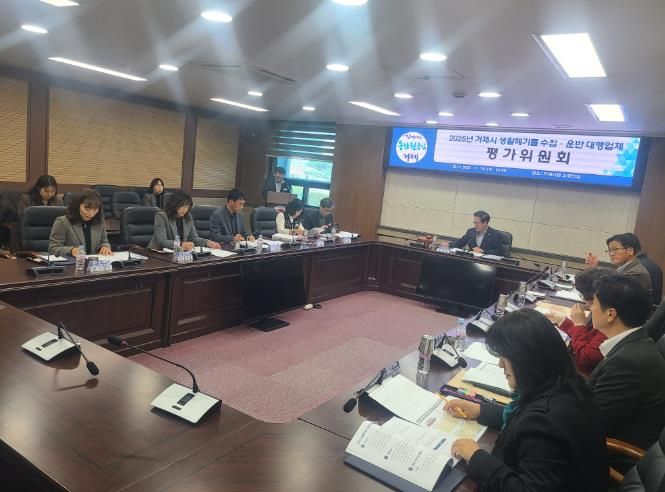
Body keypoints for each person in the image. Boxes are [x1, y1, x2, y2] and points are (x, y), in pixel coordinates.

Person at [445, 309, 608, 491]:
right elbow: (527, 420)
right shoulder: (569, 384)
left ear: (527, 360)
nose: (500, 364)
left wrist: (477, 457)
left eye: (505, 358)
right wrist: (482, 411)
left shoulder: (543, 421)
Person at [588, 275, 665, 453]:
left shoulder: (625, 364)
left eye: (594, 303)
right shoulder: (637, 342)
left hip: (609, 455)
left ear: (611, 314)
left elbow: (590, 423)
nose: (590, 307)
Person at [543, 267, 617, 375]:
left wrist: (579, 325)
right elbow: (589, 338)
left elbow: (585, 359)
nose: (586, 303)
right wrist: (564, 322)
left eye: (583, 296)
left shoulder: (610, 321)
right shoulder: (605, 310)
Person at [147, 190, 220, 251]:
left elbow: (194, 238)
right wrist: (181, 244)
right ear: (175, 204)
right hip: (158, 253)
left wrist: (207, 242)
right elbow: (162, 241)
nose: (185, 209)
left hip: (178, 253)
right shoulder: (161, 216)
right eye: (183, 206)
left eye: (187, 206)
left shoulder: (188, 216)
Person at [49, 189, 112, 257]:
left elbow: (104, 241)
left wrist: (105, 247)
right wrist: (71, 250)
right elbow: (53, 248)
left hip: (93, 262)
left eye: (95, 210)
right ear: (77, 205)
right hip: (72, 262)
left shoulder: (99, 221)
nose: (91, 214)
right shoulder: (62, 222)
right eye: (87, 209)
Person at [585, 233, 652, 293]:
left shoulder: (637, 273)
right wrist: (593, 268)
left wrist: (594, 271)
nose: (611, 254)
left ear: (630, 251)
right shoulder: (622, 268)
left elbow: (609, 292)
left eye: (616, 249)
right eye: (609, 250)